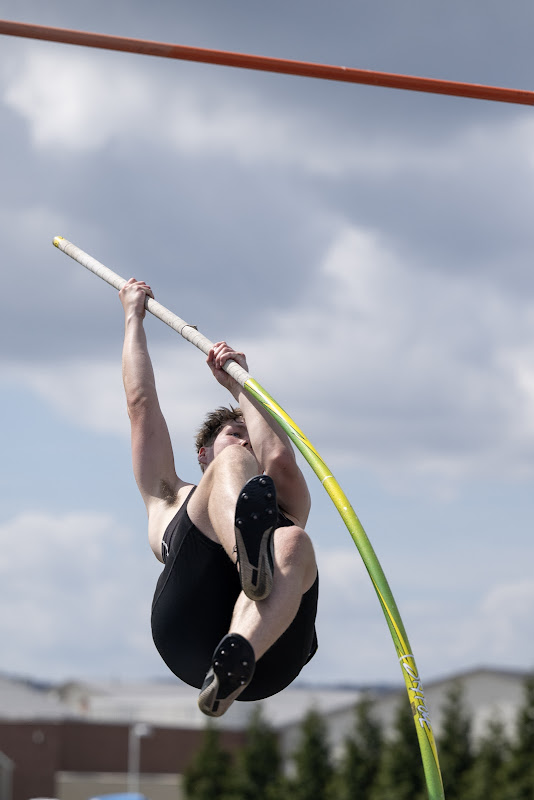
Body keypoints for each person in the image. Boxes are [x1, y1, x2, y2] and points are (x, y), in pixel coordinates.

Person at [119, 277, 319, 716]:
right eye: (234, 434)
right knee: (243, 482)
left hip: (270, 657)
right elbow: (141, 405)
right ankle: (248, 555)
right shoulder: (168, 496)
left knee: (294, 542)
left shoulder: (286, 499)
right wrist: (133, 318)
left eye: (252, 435)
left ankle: (232, 665)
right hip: (188, 633)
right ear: (202, 453)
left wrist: (243, 387)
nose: (247, 443)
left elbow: (281, 460)